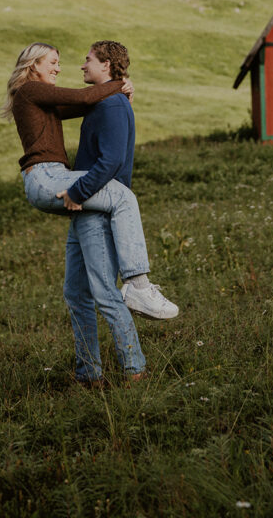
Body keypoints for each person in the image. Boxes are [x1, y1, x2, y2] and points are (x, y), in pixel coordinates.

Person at [1, 41, 178, 320]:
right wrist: (119, 84)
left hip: (50, 174)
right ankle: (138, 285)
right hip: (46, 174)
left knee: (78, 291)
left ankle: (99, 358)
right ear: (34, 64)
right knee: (123, 195)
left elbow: (86, 105)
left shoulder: (40, 98)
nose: (60, 68)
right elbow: (83, 99)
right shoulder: (30, 89)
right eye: (53, 63)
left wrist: (116, 93)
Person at [64, 40, 168, 385]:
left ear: (106, 65)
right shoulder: (104, 100)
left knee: (105, 293)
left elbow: (112, 161)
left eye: (88, 59)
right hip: (84, 211)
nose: (82, 65)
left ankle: (134, 369)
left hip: (93, 208)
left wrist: (77, 191)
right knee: (76, 293)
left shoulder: (111, 105)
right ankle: (88, 373)